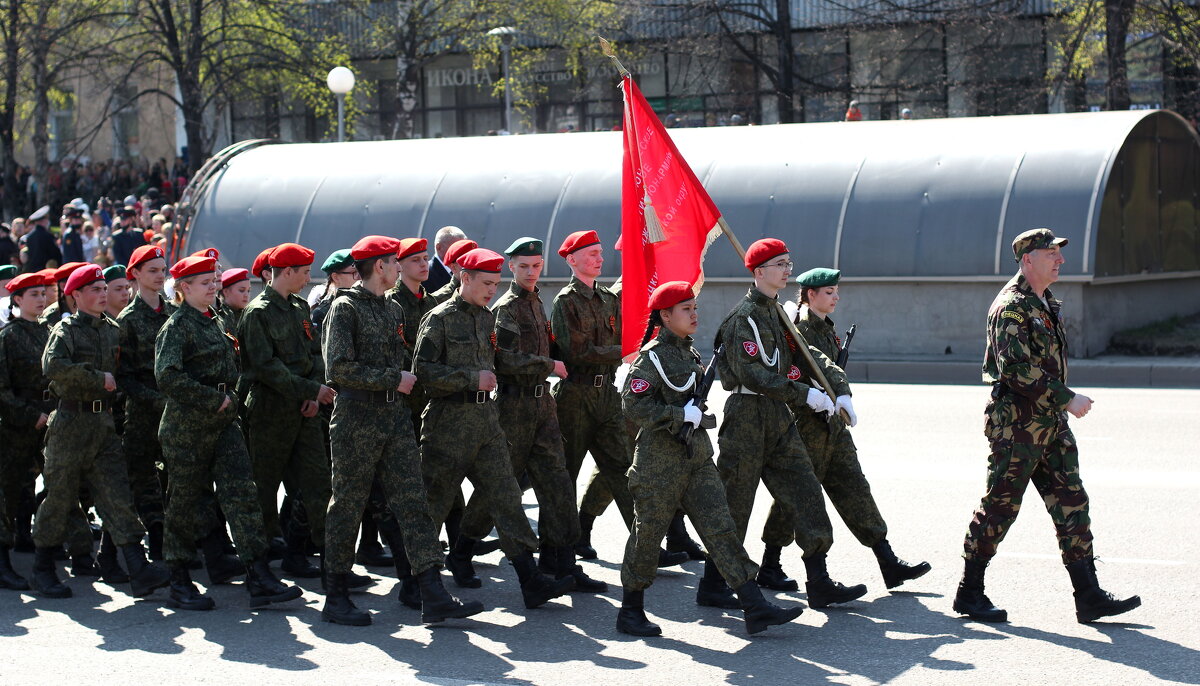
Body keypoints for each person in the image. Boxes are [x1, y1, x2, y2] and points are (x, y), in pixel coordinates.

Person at [954, 228, 1141, 624]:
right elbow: (1017, 370)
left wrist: (1059, 406)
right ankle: (969, 592)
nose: (1060, 259)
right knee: (1001, 506)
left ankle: (1088, 595)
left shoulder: (1045, 302)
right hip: (1018, 426)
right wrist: (1067, 399)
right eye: (1051, 253)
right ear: (1028, 260)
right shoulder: (1012, 307)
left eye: (1059, 252)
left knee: (1072, 501)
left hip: (1049, 425)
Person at [618, 281, 804, 637]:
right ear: (665, 315)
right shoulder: (652, 357)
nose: (694, 314)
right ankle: (631, 609)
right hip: (659, 464)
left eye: (695, 308)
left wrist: (695, 416)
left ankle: (754, 604)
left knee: (721, 528)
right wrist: (677, 416)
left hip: (696, 458)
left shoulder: (690, 353)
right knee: (647, 537)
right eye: (685, 309)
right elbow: (633, 404)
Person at [320, 235, 483, 626]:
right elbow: (337, 369)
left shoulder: (391, 309)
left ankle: (430, 590)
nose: (398, 267)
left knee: (413, 502)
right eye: (394, 262)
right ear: (380, 266)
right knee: (348, 504)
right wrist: (393, 378)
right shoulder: (345, 308)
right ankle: (336, 595)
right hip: (357, 416)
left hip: (393, 418)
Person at [705, 238, 864, 611]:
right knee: (735, 504)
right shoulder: (742, 319)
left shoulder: (780, 314)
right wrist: (804, 395)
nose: (787, 270)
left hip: (778, 416)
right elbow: (752, 373)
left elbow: (814, 358)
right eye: (780, 264)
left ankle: (819, 580)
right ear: (759, 272)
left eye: (789, 263)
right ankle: (714, 582)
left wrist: (840, 390)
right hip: (747, 414)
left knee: (806, 492)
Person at [413, 247, 574, 609]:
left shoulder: (487, 319)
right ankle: (418, 582)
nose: (491, 290)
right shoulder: (438, 319)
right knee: (434, 505)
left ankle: (530, 580)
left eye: (495, 283)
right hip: (448, 425)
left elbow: (501, 361)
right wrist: (471, 378)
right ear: (464, 278)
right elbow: (424, 373)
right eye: (485, 283)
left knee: (506, 498)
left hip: (487, 423)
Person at [757, 267, 930, 594]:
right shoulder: (799, 330)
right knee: (794, 498)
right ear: (811, 295)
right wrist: (817, 398)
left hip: (833, 427)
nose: (836, 297)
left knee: (854, 486)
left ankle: (887, 560)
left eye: (836, 291)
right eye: (829, 292)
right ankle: (770, 563)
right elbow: (795, 373)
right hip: (807, 425)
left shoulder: (826, 328)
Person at [453, 237, 606, 593]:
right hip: (513, 409)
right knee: (500, 488)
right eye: (524, 266)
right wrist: (549, 363)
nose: (531, 272)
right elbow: (505, 360)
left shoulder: (538, 303)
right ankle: (461, 551)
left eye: (536, 266)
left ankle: (563, 564)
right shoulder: (505, 308)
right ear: (511, 267)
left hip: (542, 407)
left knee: (558, 485)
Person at [154, 255, 303, 610]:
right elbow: (167, 376)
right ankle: (178, 578)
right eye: (203, 282)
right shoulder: (177, 326)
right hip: (187, 427)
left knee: (242, 495)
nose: (212, 286)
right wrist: (211, 398)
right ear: (183, 288)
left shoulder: (217, 320)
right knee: (185, 503)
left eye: (213, 280)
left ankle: (258, 574)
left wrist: (231, 398)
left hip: (224, 423)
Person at [31, 264, 170, 599]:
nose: (102, 294)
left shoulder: (112, 329)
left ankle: (137, 567)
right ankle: (42, 567)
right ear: (75, 296)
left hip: (103, 424)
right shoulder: (66, 330)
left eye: (104, 288)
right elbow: (53, 367)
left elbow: (123, 371)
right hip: (70, 424)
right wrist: (96, 379)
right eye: (94, 290)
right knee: (61, 497)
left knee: (117, 492)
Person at [550, 231, 673, 567]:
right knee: (566, 475)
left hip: (607, 394)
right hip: (575, 395)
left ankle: (646, 546)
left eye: (600, 253)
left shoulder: (608, 298)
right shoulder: (565, 301)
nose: (599, 259)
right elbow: (575, 350)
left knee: (623, 469)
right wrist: (623, 351)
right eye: (591, 254)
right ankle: (561, 551)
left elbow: (629, 333)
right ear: (572, 260)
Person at [237, 242, 335, 579]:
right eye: (305, 272)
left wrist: (313, 390)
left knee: (317, 484)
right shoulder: (257, 313)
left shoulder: (300, 308)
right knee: (263, 488)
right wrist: (311, 390)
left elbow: (314, 354)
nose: (310, 279)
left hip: (304, 411)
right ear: (288, 272)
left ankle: (328, 563)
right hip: (269, 413)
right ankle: (260, 568)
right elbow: (266, 368)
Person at [116, 245, 174, 561]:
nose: (159, 275)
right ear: (135, 274)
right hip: (141, 412)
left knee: (173, 477)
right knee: (142, 478)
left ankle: (175, 542)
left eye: (163, 269)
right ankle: (154, 540)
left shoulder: (174, 314)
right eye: (152, 270)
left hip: (173, 411)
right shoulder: (126, 320)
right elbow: (123, 377)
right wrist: (155, 400)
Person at [0, 272, 55, 591]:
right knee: (8, 490)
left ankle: (35, 542)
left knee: (54, 484)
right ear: (17, 300)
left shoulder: (52, 330)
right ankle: (4, 561)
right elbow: (2, 389)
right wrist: (29, 415)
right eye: (32, 294)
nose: (40, 298)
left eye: (41, 293)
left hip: (52, 418)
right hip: (20, 424)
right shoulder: (9, 336)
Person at [311, 249, 357, 334]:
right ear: (335, 277)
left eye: (361, 272)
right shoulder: (323, 313)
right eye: (354, 273)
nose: (359, 277)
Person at [427, 238, 476, 307]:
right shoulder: (436, 299)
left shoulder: (478, 296)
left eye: (475, 261)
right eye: (466, 262)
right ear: (453, 267)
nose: (473, 266)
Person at [425, 225, 465, 293]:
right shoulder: (426, 274)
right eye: (456, 247)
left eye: (464, 247)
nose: (462, 252)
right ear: (439, 247)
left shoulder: (464, 271)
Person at [22, 206, 61, 272]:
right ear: (43, 220)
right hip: (45, 270)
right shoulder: (47, 236)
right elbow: (55, 254)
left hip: (33, 271)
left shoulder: (29, 237)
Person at [216, 268, 251, 338]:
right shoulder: (218, 317)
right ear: (226, 292)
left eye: (248, 291)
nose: (246, 295)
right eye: (241, 290)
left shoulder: (249, 315)